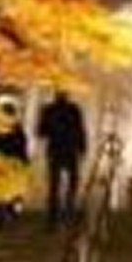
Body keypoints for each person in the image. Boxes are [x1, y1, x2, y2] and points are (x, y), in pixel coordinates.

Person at [38, 90, 88, 228]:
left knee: (55, 184)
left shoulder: (50, 110)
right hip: (68, 150)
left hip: (56, 150)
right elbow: (80, 130)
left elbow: (41, 132)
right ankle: (66, 212)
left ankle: (54, 216)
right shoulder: (73, 110)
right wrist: (82, 147)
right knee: (69, 183)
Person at [0, 99, 30, 229]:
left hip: (2, 162)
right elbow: (22, 147)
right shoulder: (17, 129)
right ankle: (11, 210)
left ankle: (3, 213)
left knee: (2, 191)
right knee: (12, 191)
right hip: (11, 163)